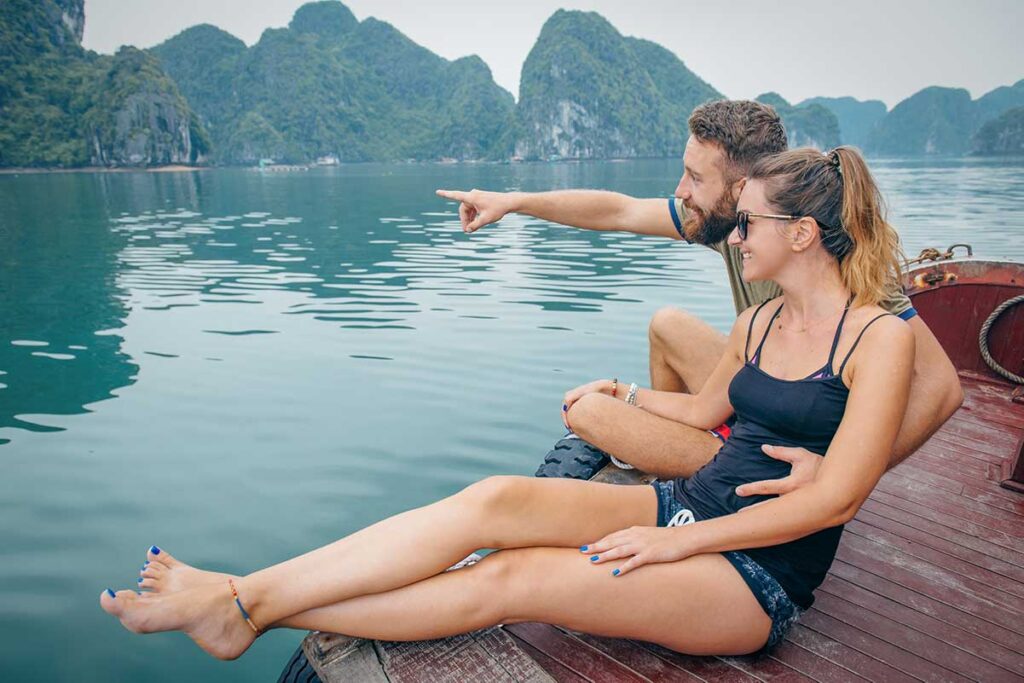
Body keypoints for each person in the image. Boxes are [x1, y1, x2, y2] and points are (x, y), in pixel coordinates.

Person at [101, 145, 916, 659]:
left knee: (513, 579)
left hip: (751, 573)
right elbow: (705, 415)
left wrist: (676, 546)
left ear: (803, 235)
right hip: (685, 506)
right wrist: (623, 393)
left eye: (749, 225)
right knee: (491, 499)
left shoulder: (878, 338)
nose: (735, 238)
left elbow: (839, 496)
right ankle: (241, 597)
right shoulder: (760, 317)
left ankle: (246, 606)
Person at [437, 100, 962, 498]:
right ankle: (668, 466)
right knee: (669, 324)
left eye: (695, 176)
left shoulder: (838, 255)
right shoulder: (726, 225)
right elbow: (616, 210)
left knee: (591, 414)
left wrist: (840, 476)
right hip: (764, 395)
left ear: (743, 187)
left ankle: (687, 476)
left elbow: (940, 388)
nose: (681, 189)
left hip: (793, 438)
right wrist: (513, 202)